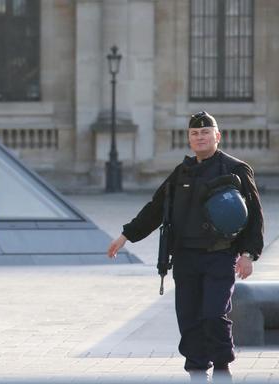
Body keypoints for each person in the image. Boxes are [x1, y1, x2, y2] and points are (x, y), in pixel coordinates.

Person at [107, 111, 263, 380]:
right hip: (185, 257)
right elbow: (156, 208)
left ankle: (223, 367)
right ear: (189, 139)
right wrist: (126, 235)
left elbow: (255, 215)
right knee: (189, 318)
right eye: (194, 133)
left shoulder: (236, 169)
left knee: (214, 314)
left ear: (217, 136)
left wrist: (249, 254)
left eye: (205, 132)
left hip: (220, 255)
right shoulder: (182, 172)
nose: (200, 137)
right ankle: (197, 370)